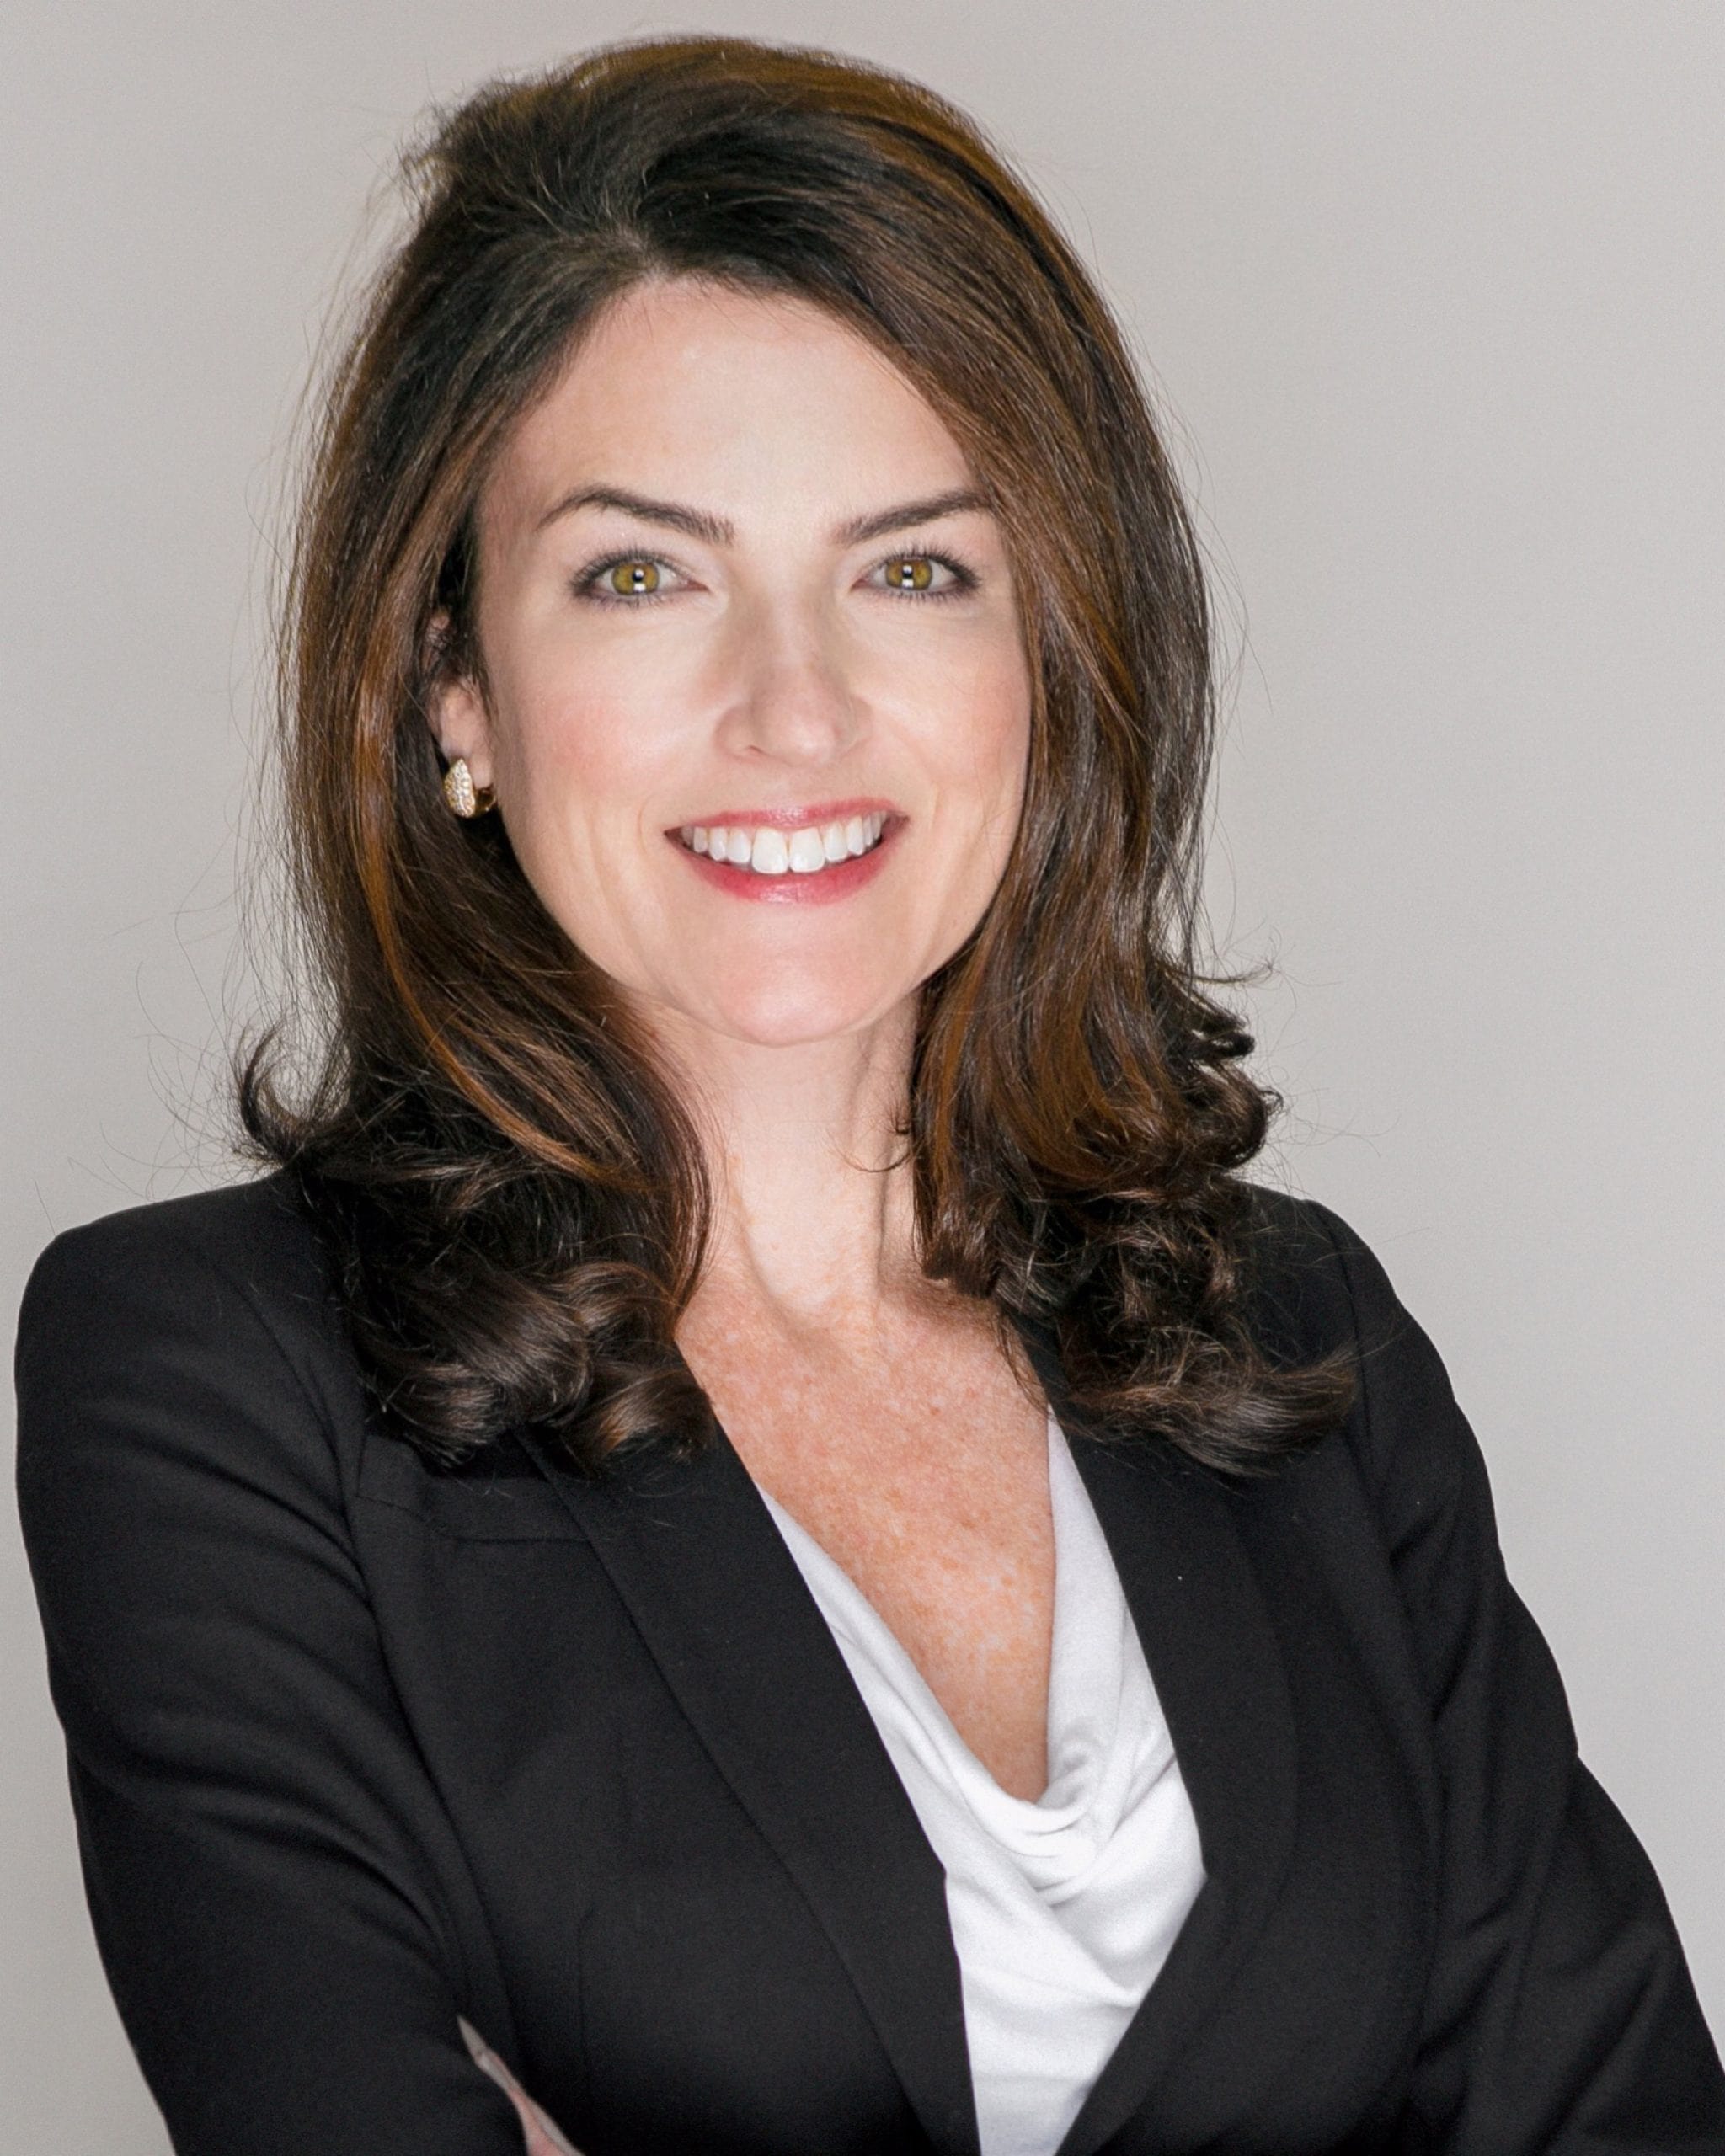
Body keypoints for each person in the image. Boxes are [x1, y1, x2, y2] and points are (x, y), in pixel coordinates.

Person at [13, 33, 1723, 2156]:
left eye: (914, 566)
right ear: (453, 680)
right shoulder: (212, 1378)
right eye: (641, 572)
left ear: (1049, 653)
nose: (793, 708)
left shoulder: (1293, 1335)